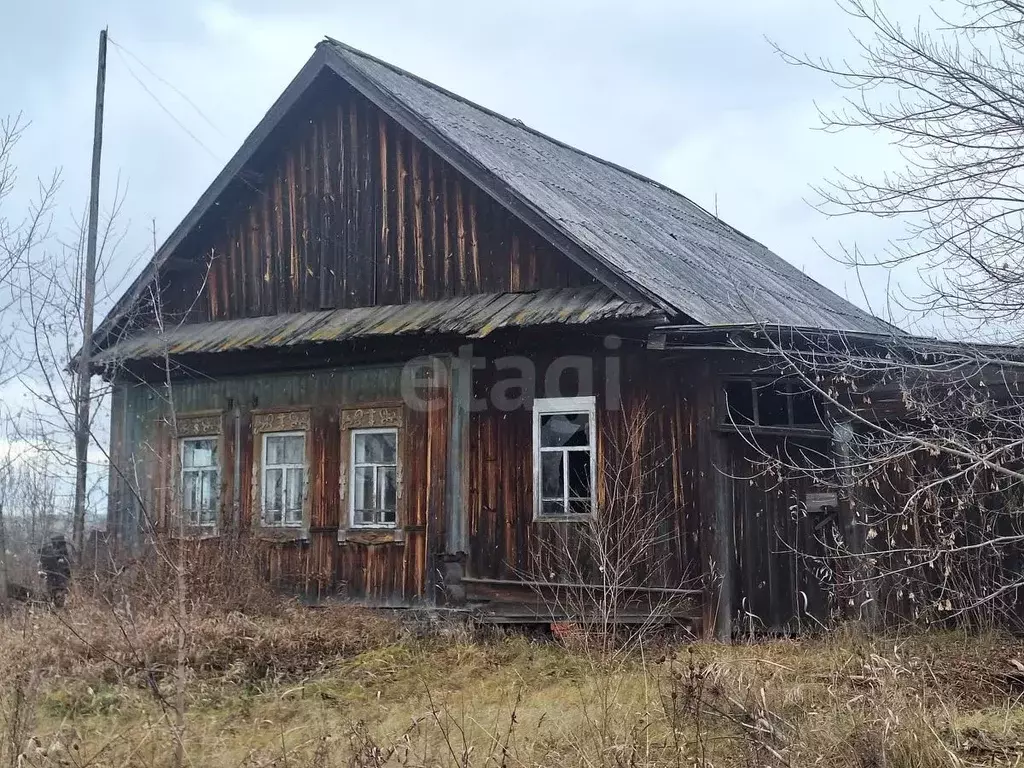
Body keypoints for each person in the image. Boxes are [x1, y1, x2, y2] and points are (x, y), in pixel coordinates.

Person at [38, 534, 71, 607]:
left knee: (57, 597)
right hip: (57, 583)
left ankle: (57, 604)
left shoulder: (59, 555)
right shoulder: (57, 555)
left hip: (57, 583)